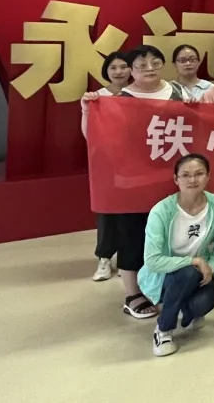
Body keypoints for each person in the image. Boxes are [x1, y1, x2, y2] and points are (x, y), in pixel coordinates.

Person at [84, 45, 193, 319]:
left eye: (155, 62)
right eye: (141, 65)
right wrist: (87, 111)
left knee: (171, 234)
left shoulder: (179, 93)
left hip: (171, 179)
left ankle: (167, 287)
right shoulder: (119, 100)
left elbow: (200, 127)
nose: (149, 68)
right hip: (132, 182)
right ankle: (133, 294)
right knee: (133, 236)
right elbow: (94, 137)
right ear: (131, 70)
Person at [139, 153, 214, 357]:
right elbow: (152, 261)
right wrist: (194, 260)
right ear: (176, 179)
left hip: (200, 273)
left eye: (199, 174)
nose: (192, 180)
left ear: (208, 176)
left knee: (202, 305)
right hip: (164, 276)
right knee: (187, 272)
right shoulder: (161, 211)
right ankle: (163, 329)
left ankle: (185, 309)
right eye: (186, 175)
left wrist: (210, 267)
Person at [82, 51, 131, 282]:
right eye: (113, 67)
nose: (119, 71)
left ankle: (127, 258)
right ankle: (104, 257)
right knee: (107, 211)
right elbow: (88, 133)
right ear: (106, 71)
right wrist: (86, 108)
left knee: (131, 212)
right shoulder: (97, 97)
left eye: (123, 66)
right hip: (107, 164)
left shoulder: (138, 95)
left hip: (134, 162)